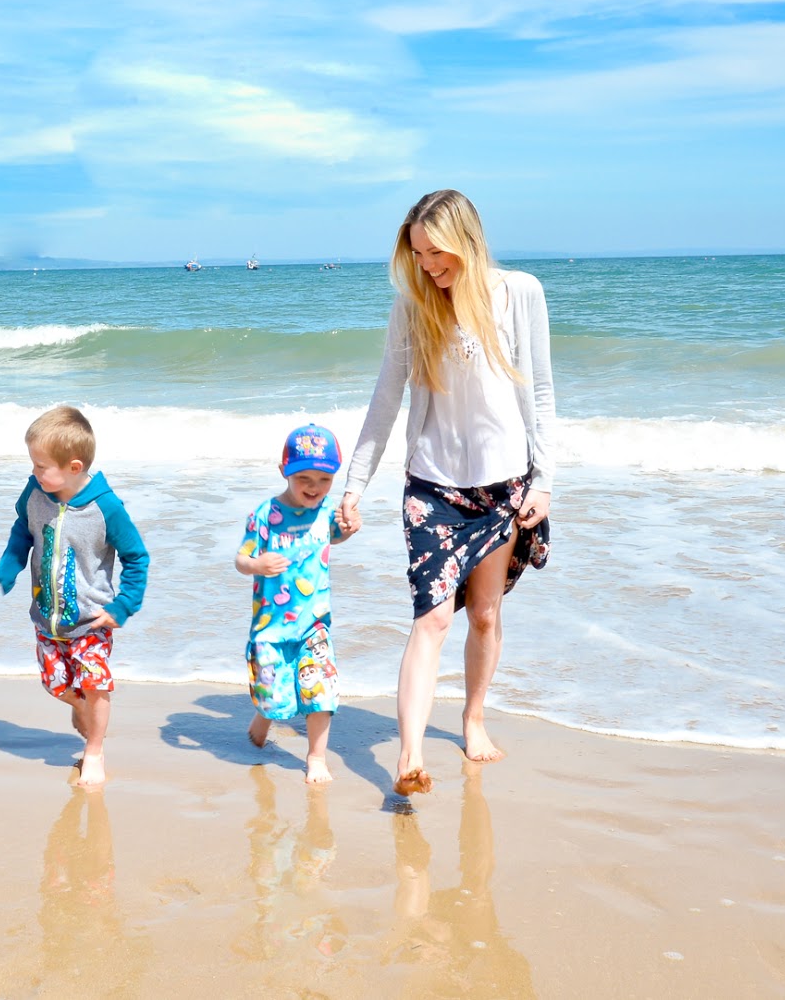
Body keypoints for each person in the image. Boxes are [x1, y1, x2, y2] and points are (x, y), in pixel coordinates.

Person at [337, 189, 554, 796]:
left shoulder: (521, 293)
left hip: (505, 484)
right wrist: (355, 484)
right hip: (431, 486)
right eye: (418, 255)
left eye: (437, 253)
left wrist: (545, 482)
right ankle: (409, 757)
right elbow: (385, 400)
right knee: (431, 616)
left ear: (466, 241)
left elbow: (541, 395)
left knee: (484, 615)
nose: (429, 266)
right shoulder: (413, 308)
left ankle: (473, 719)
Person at [0, 405, 149, 786]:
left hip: (93, 619)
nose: (34, 472)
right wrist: (10, 563)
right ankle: (79, 706)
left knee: (96, 683)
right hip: (46, 617)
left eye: (41, 466)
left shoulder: (106, 508)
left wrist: (123, 606)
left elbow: (137, 557)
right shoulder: (35, 493)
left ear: (74, 467)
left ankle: (94, 751)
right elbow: (22, 529)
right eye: (33, 463)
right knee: (54, 684)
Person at [236, 423, 359, 784]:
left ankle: (316, 757)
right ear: (284, 473)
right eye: (303, 477)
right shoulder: (264, 514)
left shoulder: (326, 512)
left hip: (314, 624)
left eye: (324, 479)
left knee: (321, 692)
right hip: (270, 627)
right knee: (273, 696)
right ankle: (263, 717)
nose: (314, 487)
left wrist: (349, 529)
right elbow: (241, 559)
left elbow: (335, 537)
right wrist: (256, 564)